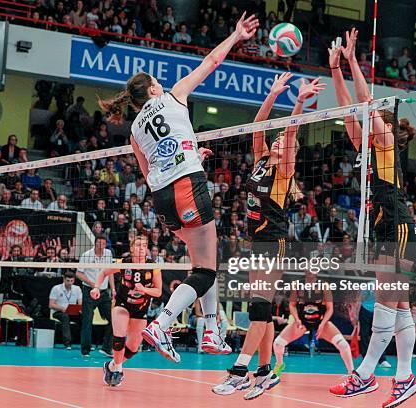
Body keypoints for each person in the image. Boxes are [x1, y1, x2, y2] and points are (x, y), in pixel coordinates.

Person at [98, 11, 261, 363]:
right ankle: (164, 323)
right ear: (154, 89)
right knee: (206, 269)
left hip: (162, 200)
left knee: (202, 262)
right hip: (188, 184)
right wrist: (235, 36)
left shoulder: (133, 131)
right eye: (158, 81)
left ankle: (212, 333)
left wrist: (190, 154)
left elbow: (148, 170)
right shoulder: (173, 96)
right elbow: (211, 61)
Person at [212, 73, 324, 399]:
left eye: (282, 142)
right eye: (274, 140)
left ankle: (239, 371)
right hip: (256, 243)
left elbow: (290, 131)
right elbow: (258, 126)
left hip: (275, 242)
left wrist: (300, 101)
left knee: (258, 309)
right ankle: (264, 373)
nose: (277, 140)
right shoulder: (261, 160)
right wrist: (273, 94)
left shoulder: (284, 169)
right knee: (263, 309)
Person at [328, 29, 416, 406]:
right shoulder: (365, 146)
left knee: (386, 301)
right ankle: (405, 378)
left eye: (371, 116)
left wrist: (353, 60)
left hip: (397, 226)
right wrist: (335, 69)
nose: (364, 118)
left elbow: (365, 101)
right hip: (387, 226)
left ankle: (364, 375)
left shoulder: (384, 141)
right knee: (399, 307)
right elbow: (348, 108)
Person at [91, 235, 162, 386]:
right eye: (138, 245)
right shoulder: (124, 263)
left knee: (134, 347)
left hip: (141, 308)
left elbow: (158, 292)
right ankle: (118, 370)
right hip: (122, 304)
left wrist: (144, 289)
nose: (141, 248)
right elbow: (103, 273)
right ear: (131, 248)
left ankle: (111, 365)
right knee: (120, 336)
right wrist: (96, 287)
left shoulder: (153, 266)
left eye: (144, 246)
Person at [272, 273, 353, 377]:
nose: (310, 271)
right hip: (303, 321)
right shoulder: (297, 285)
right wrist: (297, 319)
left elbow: (330, 308)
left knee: (343, 345)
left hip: (320, 321)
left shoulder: (324, 285)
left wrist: (323, 324)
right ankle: (279, 365)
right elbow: (292, 305)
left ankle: (351, 373)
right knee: (278, 344)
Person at [76, 234, 115, 357]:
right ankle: (85, 350)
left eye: (103, 243)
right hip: (89, 291)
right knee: (87, 320)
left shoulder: (108, 254)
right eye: (99, 243)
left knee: (114, 319)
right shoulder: (86, 255)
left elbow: (110, 273)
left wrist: (113, 288)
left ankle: (106, 347)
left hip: (103, 292)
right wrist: (93, 284)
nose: (101, 245)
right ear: (95, 243)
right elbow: (79, 274)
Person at [49, 271, 82, 349]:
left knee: (85, 318)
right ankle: (67, 343)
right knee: (65, 317)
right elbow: (51, 305)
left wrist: (80, 309)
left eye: (71, 281)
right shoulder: (56, 288)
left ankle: (86, 343)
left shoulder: (77, 289)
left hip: (72, 312)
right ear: (64, 279)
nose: (70, 283)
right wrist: (62, 308)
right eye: (68, 281)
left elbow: (80, 303)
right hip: (58, 312)